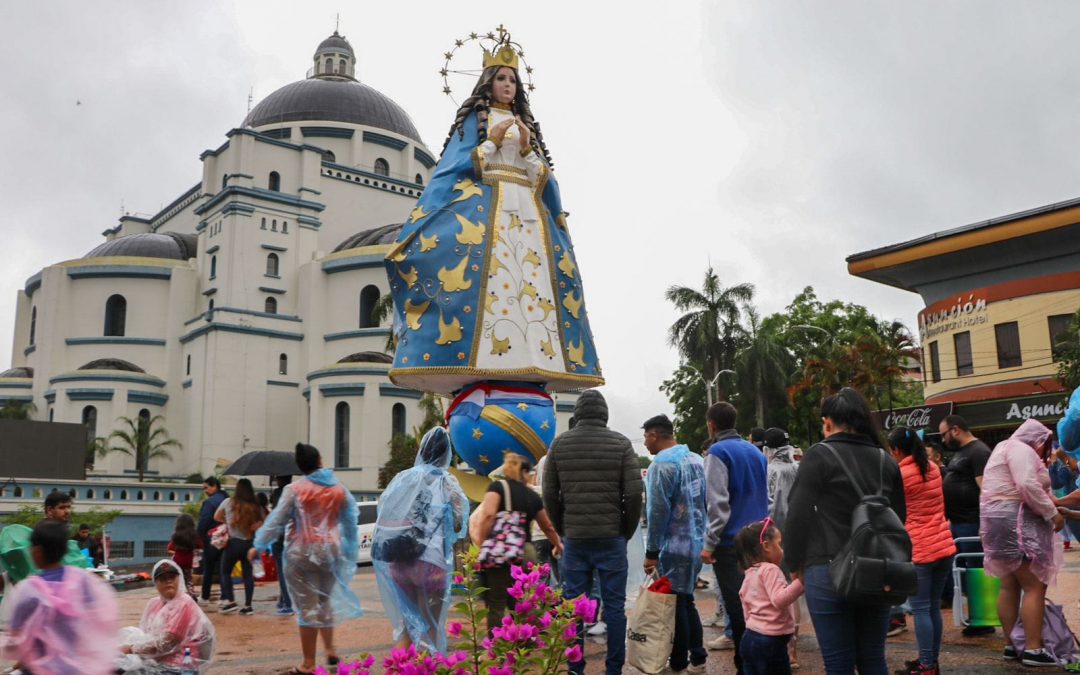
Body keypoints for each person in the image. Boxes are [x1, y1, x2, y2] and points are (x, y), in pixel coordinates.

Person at [382, 33, 603, 398]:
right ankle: (488, 351)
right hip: (489, 210)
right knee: (492, 278)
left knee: (528, 280)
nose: (507, 85)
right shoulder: (476, 120)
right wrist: (492, 140)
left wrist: (530, 150)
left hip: (527, 212)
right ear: (488, 83)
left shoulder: (528, 126)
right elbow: (458, 167)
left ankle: (529, 352)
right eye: (501, 78)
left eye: (513, 80)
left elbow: (542, 178)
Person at [784, 387, 906, 675]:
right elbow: (899, 517)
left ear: (827, 422)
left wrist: (794, 563)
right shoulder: (884, 460)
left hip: (827, 569)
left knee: (838, 663)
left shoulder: (819, 455)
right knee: (873, 659)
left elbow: (797, 515)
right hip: (878, 568)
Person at [543, 389, 642, 675]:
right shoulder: (622, 444)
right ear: (605, 414)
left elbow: (549, 494)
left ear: (577, 414)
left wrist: (563, 528)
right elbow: (634, 494)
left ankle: (575, 668)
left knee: (572, 607)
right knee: (614, 606)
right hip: (611, 537)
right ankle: (613, 670)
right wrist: (626, 530)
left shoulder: (559, 445)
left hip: (575, 538)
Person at [251, 443, 362, 675]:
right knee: (324, 602)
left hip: (301, 552)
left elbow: (276, 520)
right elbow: (351, 522)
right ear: (320, 460)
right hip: (331, 551)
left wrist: (259, 544)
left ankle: (309, 663)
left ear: (300, 466)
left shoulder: (295, 489)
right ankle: (330, 649)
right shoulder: (339, 489)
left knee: (307, 607)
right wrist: (349, 550)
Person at [373, 427, 469, 653]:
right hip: (431, 565)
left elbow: (383, 511)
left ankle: (400, 667)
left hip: (399, 561)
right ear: (447, 453)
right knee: (430, 627)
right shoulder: (448, 483)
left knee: (407, 625)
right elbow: (458, 524)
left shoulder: (403, 479)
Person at [981, 419, 1063, 667]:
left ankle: (1012, 645)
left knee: (1009, 585)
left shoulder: (1001, 448)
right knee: (1034, 586)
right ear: (1036, 440)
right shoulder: (1021, 449)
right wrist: (1051, 513)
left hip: (996, 522)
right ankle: (1033, 649)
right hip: (1016, 522)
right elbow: (1026, 484)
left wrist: (1052, 505)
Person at [699, 401, 768, 672]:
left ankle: (745, 664)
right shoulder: (755, 452)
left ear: (711, 425)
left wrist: (709, 544)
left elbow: (718, 505)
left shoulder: (717, 452)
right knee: (760, 606)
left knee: (738, 608)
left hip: (732, 544)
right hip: (760, 538)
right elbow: (766, 496)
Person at [0, 519, 119, 675]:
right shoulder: (82, 581)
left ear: (38, 551)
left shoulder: (29, 589)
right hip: (78, 668)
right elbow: (101, 621)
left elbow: (15, 642)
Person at [641, 414, 708, 674]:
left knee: (675, 605)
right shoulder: (696, 459)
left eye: (646, 437)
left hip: (673, 546)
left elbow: (657, 511)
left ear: (655, 435)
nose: (645, 444)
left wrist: (651, 552)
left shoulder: (662, 464)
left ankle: (679, 663)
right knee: (686, 599)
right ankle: (698, 657)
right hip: (695, 542)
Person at [888, 427, 957, 675]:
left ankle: (927, 665)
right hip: (943, 544)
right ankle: (931, 661)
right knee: (932, 607)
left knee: (920, 609)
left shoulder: (902, 474)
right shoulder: (933, 469)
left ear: (896, 450)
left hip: (921, 549)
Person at [473, 452, 562, 632]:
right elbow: (547, 526)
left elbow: (488, 514)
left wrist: (483, 542)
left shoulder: (497, 487)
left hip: (499, 552)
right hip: (525, 551)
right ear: (526, 473)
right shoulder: (532, 496)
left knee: (496, 603)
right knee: (524, 600)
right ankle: (525, 639)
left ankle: (498, 646)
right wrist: (558, 544)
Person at [938, 414, 994, 637]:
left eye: (943, 434)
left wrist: (985, 522)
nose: (942, 440)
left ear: (955, 430)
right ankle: (976, 615)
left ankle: (983, 619)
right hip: (960, 522)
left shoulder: (978, 451)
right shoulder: (962, 453)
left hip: (973, 522)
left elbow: (986, 489)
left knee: (975, 570)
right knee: (965, 572)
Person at [119, 559, 216, 673]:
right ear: (156, 583)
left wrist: (132, 649)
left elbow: (168, 642)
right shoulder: (154, 603)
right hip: (156, 661)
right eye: (163, 579)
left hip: (180, 665)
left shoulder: (183, 602)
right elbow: (145, 634)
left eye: (172, 577)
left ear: (179, 580)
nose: (168, 581)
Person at [734, 519, 804, 675]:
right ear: (766, 546)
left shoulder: (750, 573)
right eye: (780, 544)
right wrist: (800, 583)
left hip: (749, 638)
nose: (783, 550)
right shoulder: (771, 570)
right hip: (771, 642)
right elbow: (779, 600)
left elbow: (745, 603)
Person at [214, 477, 264, 615]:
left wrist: (228, 521)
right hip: (249, 543)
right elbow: (262, 522)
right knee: (247, 575)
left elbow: (216, 517)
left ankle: (231, 601)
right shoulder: (255, 505)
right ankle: (248, 606)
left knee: (225, 571)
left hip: (233, 543)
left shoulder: (228, 502)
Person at [197, 476, 228, 604]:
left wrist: (198, 536)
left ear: (214, 486)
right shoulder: (227, 499)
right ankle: (226, 597)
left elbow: (203, 522)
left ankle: (205, 596)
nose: (205, 491)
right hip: (226, 538)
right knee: (224, 569)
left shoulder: (210, 502)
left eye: (206, 487)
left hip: (212, 539)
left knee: (209, 568)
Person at [530, 455, 559, 584]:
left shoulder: (532, 492)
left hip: (538, 536)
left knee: (541, 575)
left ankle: (541, 603)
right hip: (557, 535)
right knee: (562, 575)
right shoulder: (558, 492)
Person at [763, 428, 798, 531]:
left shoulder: (770, 471)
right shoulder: (798, 467)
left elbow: (768, 502)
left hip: (776, 531)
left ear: (768, 449)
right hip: (798, 526)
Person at [270, 475, 295, 616]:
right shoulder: (295, 491)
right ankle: (282, 599)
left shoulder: (279, 493)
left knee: (281, 570)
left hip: (278, 536)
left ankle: (288, 603)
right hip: (291, 535)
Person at [169, 513, 199, 599]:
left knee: (178, 579)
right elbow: (200, 546)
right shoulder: (194, 536)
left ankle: (178, 596)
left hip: (177, 560)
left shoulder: (176, 536)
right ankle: (191, 594)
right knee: (188, 579)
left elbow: (171, 548)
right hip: (189, 561)